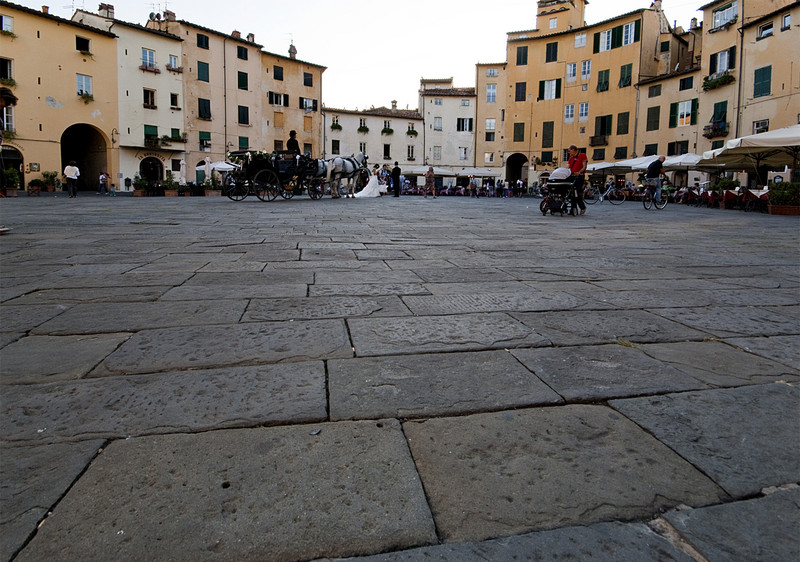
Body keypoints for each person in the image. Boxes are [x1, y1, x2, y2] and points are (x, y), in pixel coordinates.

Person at [567, 144, 587, 215]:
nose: (569, 152)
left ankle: (582, 207)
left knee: (577, 193)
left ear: (573, 150)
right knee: (571, 193)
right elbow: (568, 167)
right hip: (571, 176)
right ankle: (573, 209)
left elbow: (584, 166)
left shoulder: (582, 155)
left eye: (569, 151)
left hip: (579, 176)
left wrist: (579, 172)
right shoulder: (570, 158)